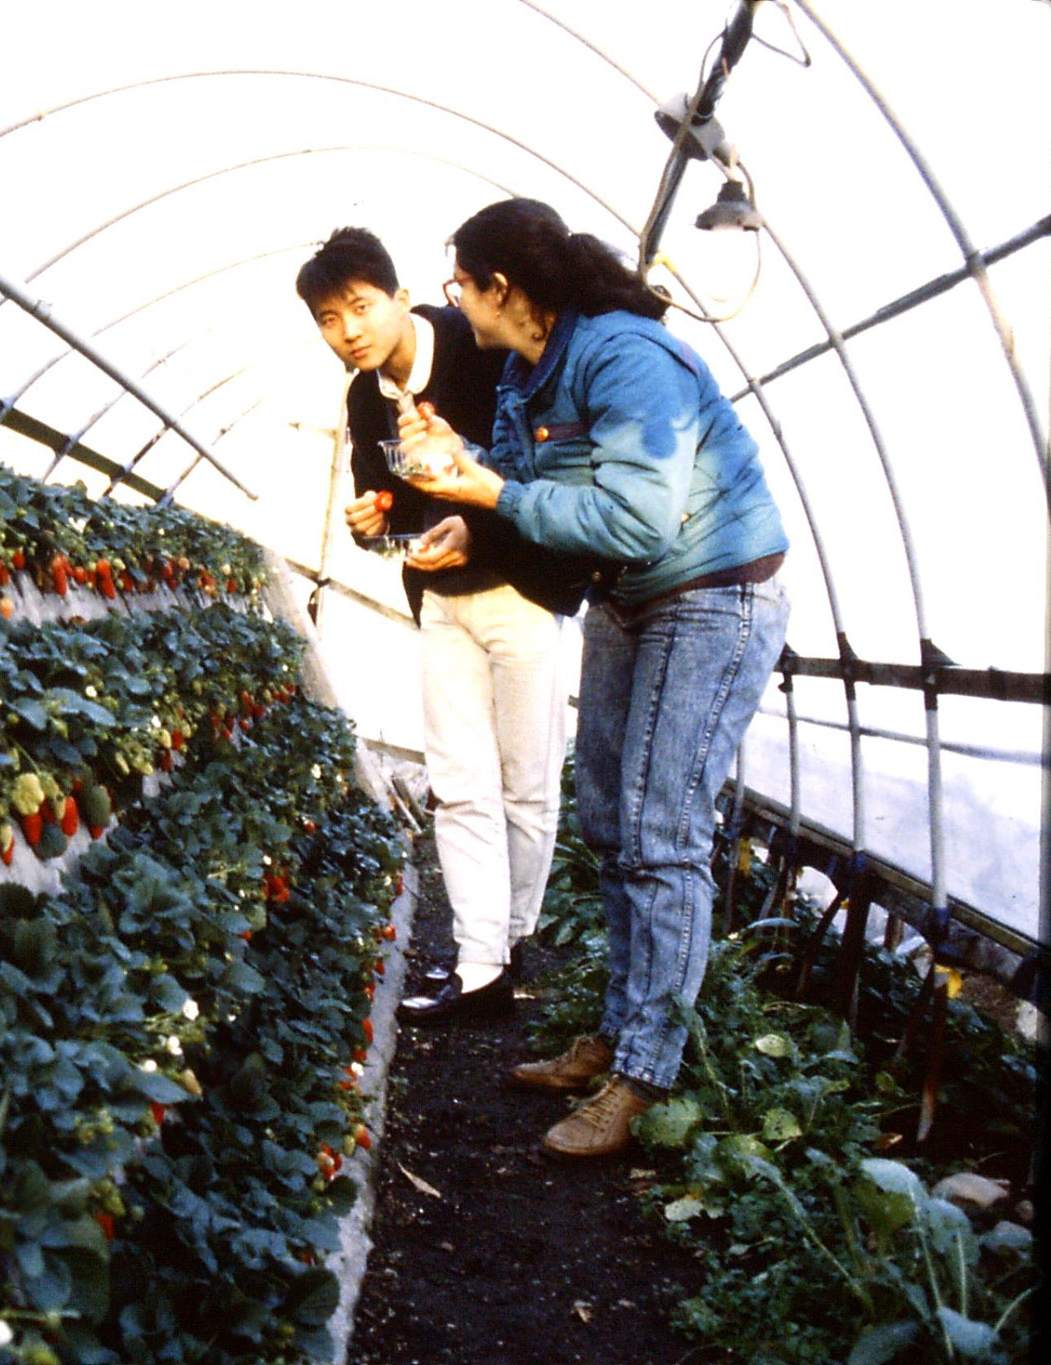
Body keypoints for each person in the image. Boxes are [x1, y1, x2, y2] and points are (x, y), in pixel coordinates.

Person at [396, 198, 790, 1158]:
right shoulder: (531, 372)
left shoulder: (624, 357)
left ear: (504, 289)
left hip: (708, 593)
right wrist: (466, 507)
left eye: (462, 286)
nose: (457, 305)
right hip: (630, 597)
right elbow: (531, 489)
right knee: (610, 818)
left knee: (662, 835)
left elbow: (637, 518)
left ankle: (644, 1078)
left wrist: (489, 489)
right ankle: (616, 1034)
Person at [294, 227, 589, 1026]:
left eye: (359, 307)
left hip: (523, 588)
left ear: (398, 297)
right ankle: (479, 961)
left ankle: (513, 938)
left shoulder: (480, 345)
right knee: (459, 782)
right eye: (327, 318)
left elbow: (542, 474)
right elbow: (379, 497)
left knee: (526, 781)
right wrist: (370, 521)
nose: (348, 330)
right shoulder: (363, 398)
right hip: (444, 601)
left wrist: (479, 527)